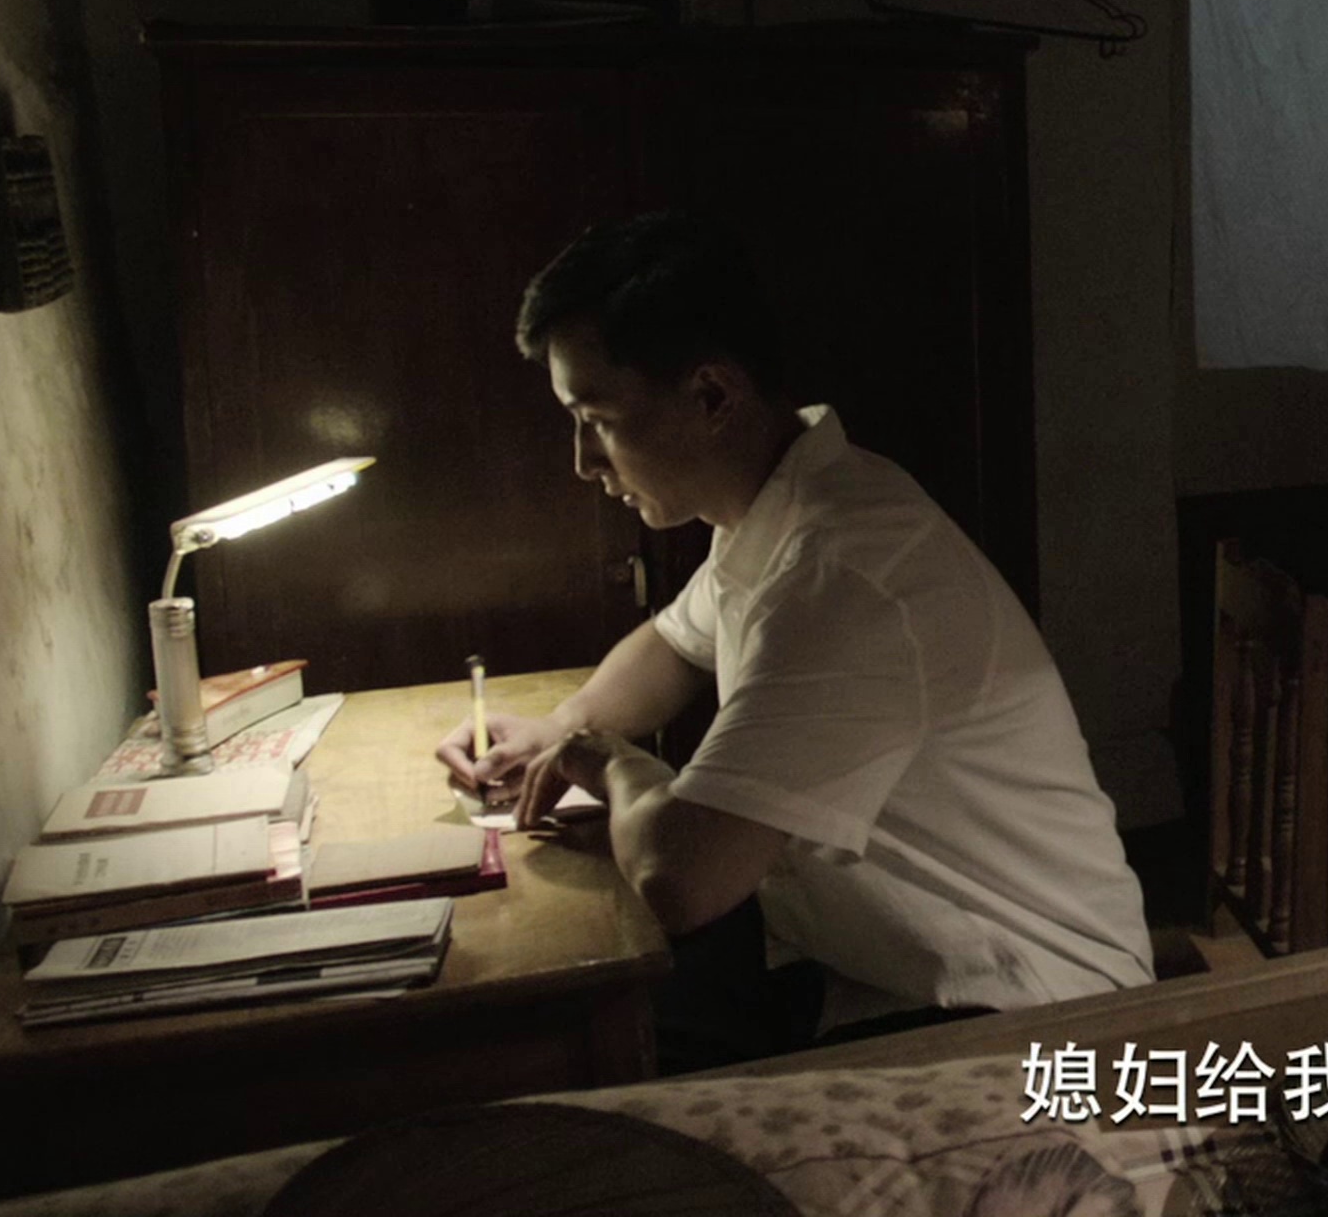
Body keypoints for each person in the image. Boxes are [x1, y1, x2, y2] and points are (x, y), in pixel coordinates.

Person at [438, 210, 1154, 1070]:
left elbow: (680, 880)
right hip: (880, 966)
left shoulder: (846, 575)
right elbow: (671, 645)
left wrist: (605, 761)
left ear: (712, 396)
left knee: (573, 1055)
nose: (583, 462)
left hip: (1028, 1012)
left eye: (597, 419)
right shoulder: (777, 507)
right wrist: (558, 727)